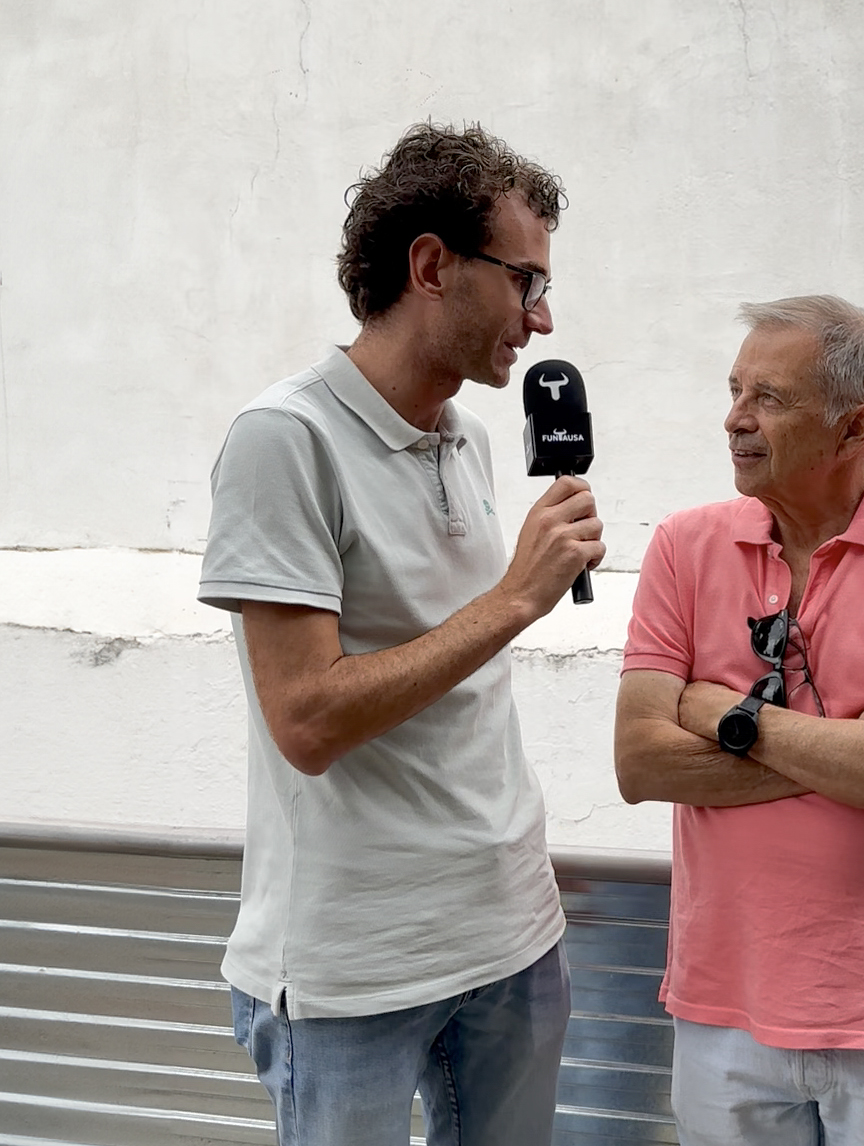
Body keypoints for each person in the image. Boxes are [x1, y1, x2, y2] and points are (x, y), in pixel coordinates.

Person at [197, 122, 603, 1146]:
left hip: (511, 940)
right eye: (522, 280)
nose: (540, 317)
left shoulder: (459, 437)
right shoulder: (283, 440)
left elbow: (457, 688)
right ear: (431, 264)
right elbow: (306, 718)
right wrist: (513, 599)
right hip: (355, 976)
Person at [614, 295, 864, 1145]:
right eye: (735, 388)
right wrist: (859, 742)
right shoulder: (683, 545)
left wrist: (723, 714)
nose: (733, 419)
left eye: (768, 398)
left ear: (853, 429)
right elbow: (640, 762)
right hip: (724, 1007)